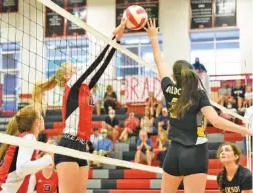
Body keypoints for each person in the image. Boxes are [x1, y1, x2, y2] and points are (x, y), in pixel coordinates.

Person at [144, 18, 253, 193]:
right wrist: (246, 130)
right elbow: (215, 120)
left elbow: (159, 61)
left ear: (174, 76)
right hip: (195, 153)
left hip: (173, 153)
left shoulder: (169, 88)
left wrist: (153, 37)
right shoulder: (198, 94)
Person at [52, 22, 126, 193]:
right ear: (66, 76)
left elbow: (101, 66)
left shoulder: (84, 88)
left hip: (82, 147)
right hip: (68, 145)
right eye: (73, 68)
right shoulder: (71, 85)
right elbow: (94, 62)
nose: (77, 68)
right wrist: (110, 36)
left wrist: (117, 41)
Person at [0, 105, 54, 193]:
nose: (43, 117)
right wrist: (49, 158)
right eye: (41, 115)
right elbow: (22, 169)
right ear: (37, 122)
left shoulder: (25, 137)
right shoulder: (29, 137)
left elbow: (22, 172)